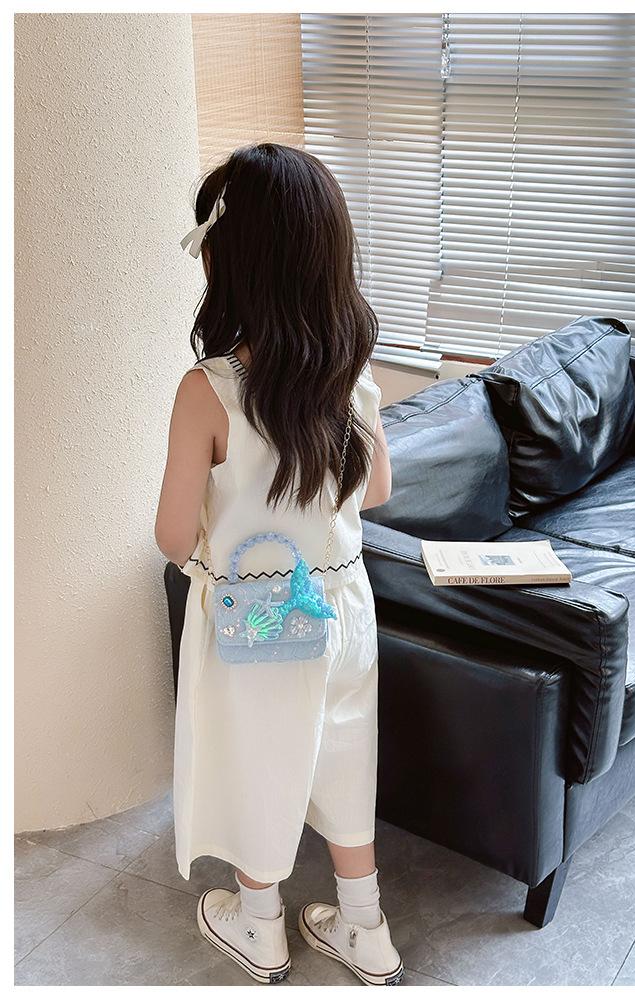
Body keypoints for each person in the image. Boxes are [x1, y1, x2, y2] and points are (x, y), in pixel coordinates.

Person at [154, 143, 402, 986]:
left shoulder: (209, 390)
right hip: (345, 607)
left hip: (254, 619)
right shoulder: (351, 373)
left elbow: (170, 536)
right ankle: (366, 929)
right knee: (345, 752)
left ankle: (259, 926)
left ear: (232, 262)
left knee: (256, 760)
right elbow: (377, 491)